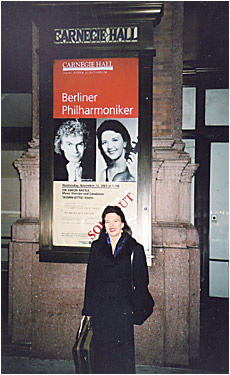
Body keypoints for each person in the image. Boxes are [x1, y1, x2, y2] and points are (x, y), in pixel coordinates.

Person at [82, 205, 150, 374]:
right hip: (101, 309)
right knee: (101, 353)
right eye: (107, 221)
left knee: (121, 355)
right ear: (103, 225)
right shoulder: (97, 247)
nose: (111, 225)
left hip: (123, 309)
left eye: (115, 221)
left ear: (122, 223)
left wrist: (135, 309)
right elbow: (90, 280)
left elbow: (142, 283)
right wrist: (88, 309)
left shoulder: (135, 249)